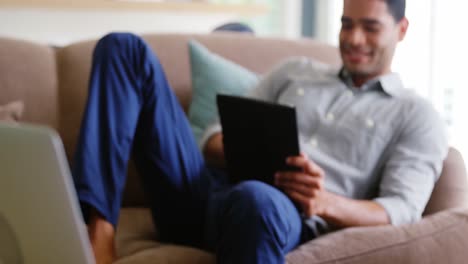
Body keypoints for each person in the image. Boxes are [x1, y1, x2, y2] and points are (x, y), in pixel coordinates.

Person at [72, 0, 448, 263]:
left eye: (370, 27)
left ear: (401, 30)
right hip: (201, 195)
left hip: (279, 216)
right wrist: (241, 146)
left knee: (258, 197)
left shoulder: (417, 115)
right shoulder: (293, 72)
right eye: (347, 24)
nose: (354, 39)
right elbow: (211, 135)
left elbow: (401, 210)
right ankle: (99, 233)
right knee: (123, 47)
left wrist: (323, 202)